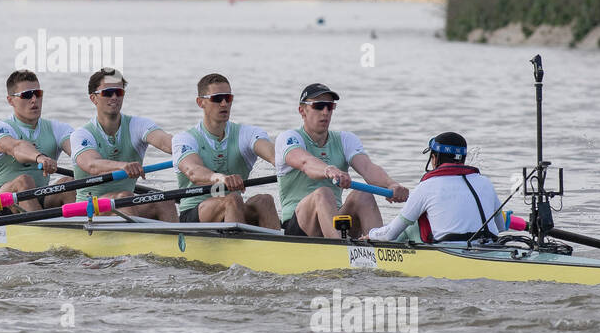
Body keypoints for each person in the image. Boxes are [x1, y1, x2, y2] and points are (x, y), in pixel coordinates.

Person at [275, 83, 408, 238]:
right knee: (323, 193)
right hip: (298, 226)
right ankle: (340, 251)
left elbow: (367, 168)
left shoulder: (345, 139)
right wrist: (329, 170)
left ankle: (380, 250)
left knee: (363, 194)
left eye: (330, 106)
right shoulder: (289, 138)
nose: (325, 112)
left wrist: (391, 184)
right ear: (302, 110)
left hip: (334, 220)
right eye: (319, 106)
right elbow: (305, 162)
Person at [172, 73, 279, 228]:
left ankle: (276, 250)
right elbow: (193, 172)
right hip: (196, 213)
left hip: (233, 210)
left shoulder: (246, 134)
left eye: (228, 98)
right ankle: (238, 249)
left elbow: (273, 155)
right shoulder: (184, 139)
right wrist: (219, 178)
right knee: (233, 200)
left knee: (265, 200)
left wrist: (286, 162)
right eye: (217, 98)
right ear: (200, 102)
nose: (224, 104)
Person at [70, 68, 176, 221]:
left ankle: (178, 241)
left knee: (164, 201)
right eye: (108, 93)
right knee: (124, 198)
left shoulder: (138, 125)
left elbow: (167, 143)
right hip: (88, 209)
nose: (114, 97)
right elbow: (92, 165)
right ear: (93, 99)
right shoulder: (82, 134)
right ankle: (135, 241)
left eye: (119, 92)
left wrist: (188, 151)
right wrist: (122, 166)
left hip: (125, 204)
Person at [365, 132, 505, 244]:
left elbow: (390, 234)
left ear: (434, 158)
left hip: (450, 253)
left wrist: (371, 234)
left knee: (410, 226)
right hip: (490, 246)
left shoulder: (426, 186)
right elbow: (501, 228)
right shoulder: (485, 182)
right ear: (462, 158)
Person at [0, 70, 75, 208]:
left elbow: (79, 151)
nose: (34, 100)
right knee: (24, 182)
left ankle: (77, 227)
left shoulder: (57, 129)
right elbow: (17, 148)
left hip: (37, 198)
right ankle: (42, 227)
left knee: (69, 183)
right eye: (26, 95)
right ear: (10, 100)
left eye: (37, 94)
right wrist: (40, 158)